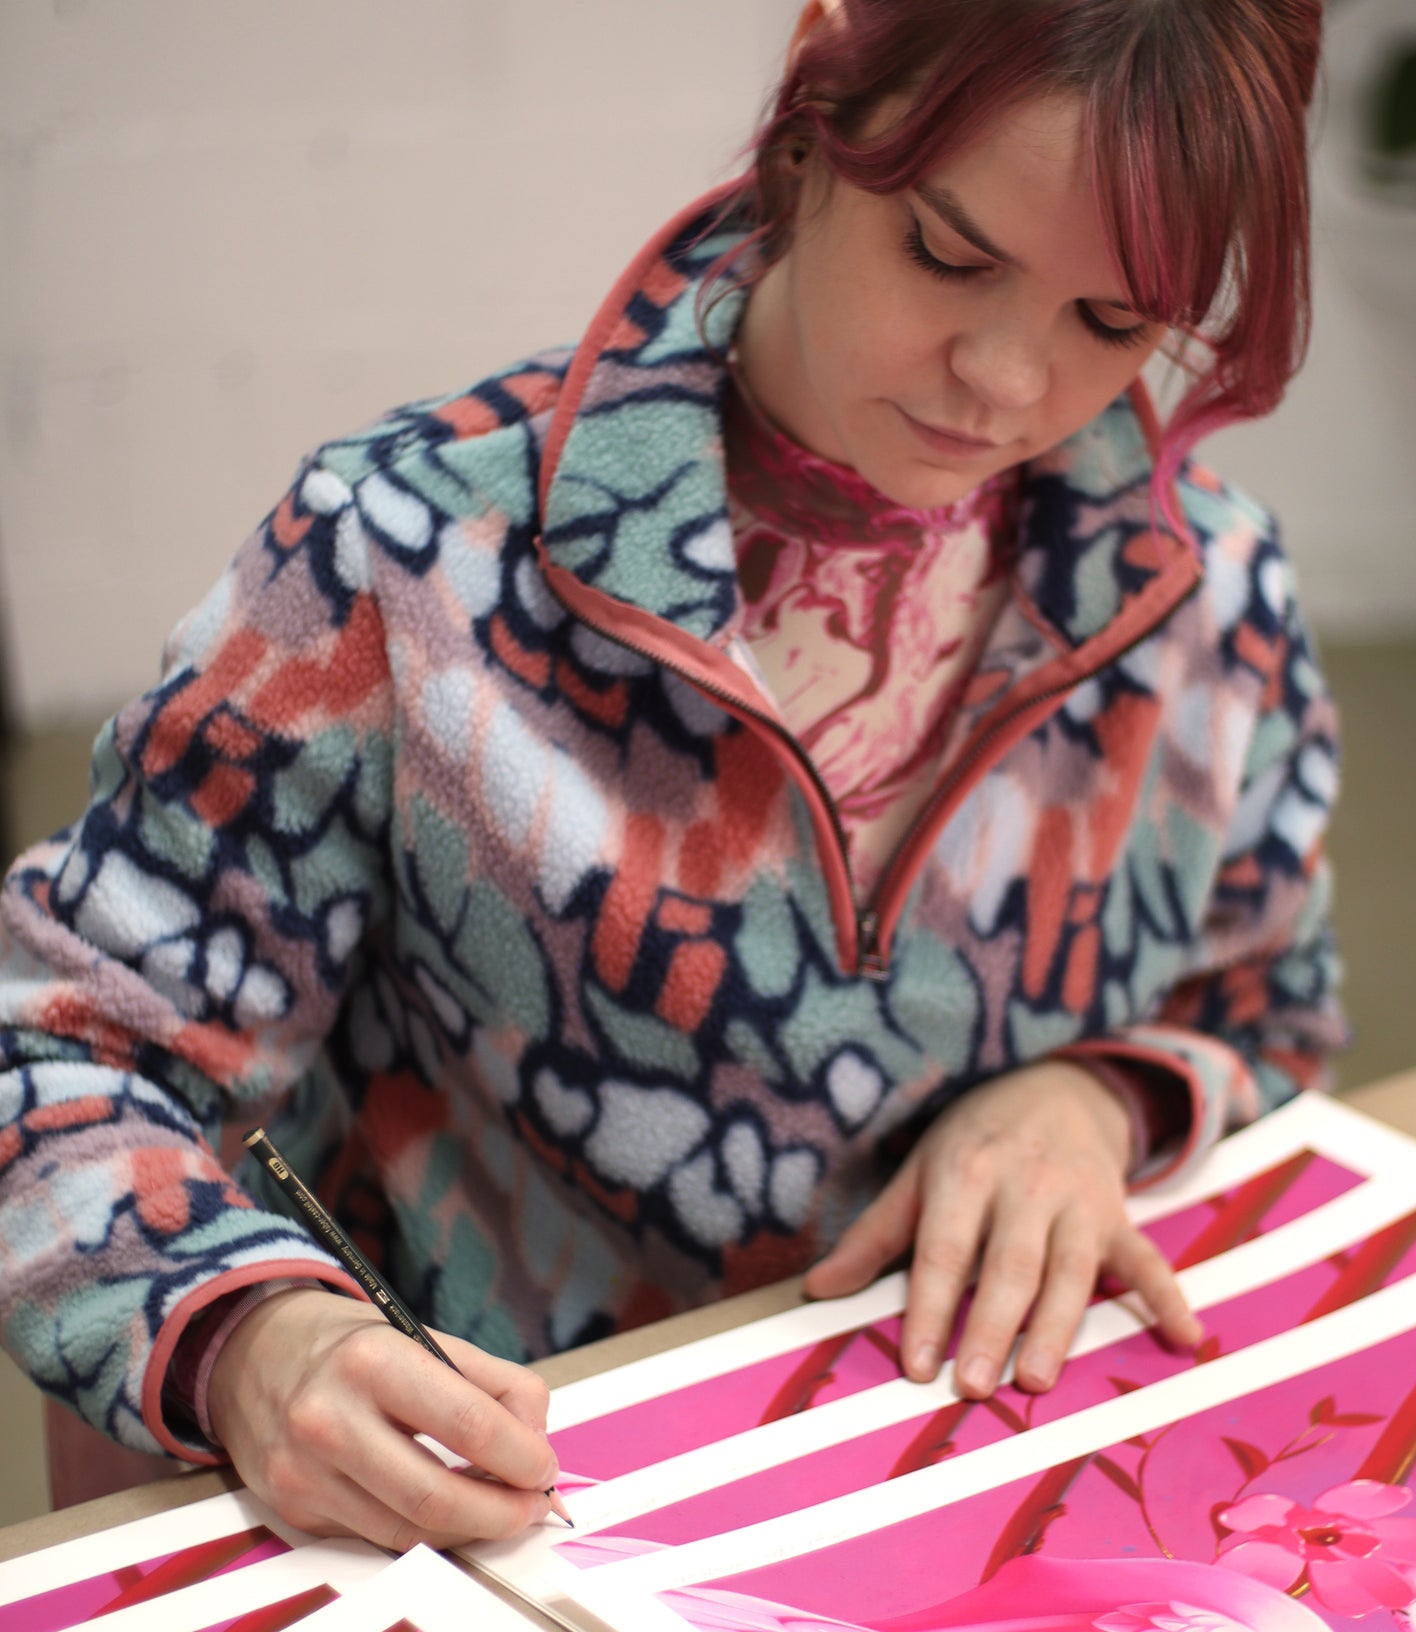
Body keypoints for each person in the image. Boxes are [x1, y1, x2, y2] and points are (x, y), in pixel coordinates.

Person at [0, 0, 1342, 1551]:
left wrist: (1091, 1103)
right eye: (947, 255)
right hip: (498, 1536)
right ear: (811, 113)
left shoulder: (1206, 592)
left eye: (1113, 325)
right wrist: (252, 1341)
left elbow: (1267, 1011)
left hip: (979, 1519)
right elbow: (58, 1062)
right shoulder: (414, 555)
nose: (1002, 378)